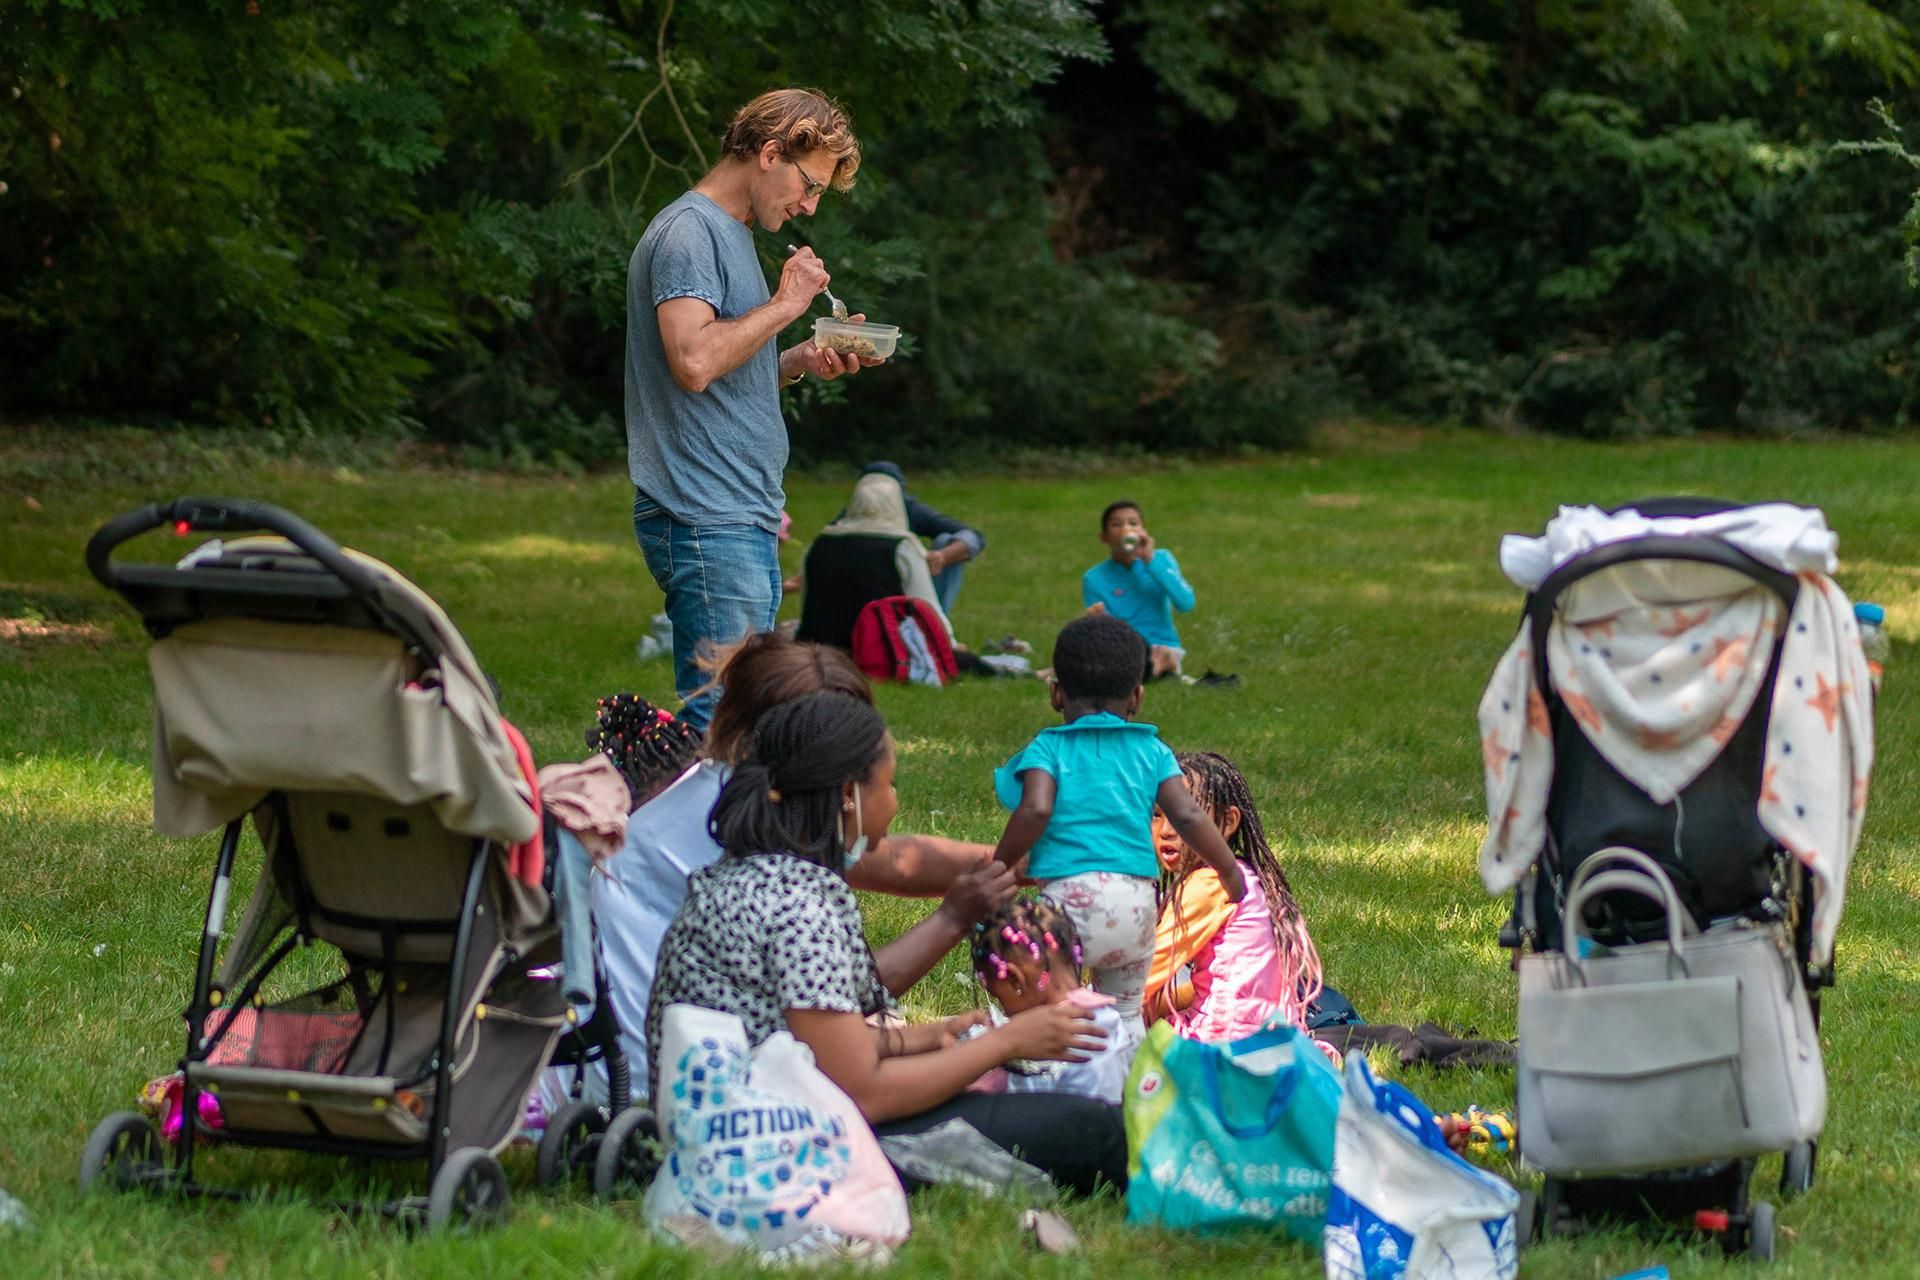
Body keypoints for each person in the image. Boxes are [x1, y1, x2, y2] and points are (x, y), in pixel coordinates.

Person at [646, 693, 1129, 1196]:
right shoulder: (798, 906)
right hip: (780, 1143)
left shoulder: (761, 875)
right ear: (849, 794)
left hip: (737, 1119)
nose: (896, 801)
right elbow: (864, 1092)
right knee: (1094, 1130)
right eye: (890, 782)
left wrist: (930, 1037)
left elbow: (813, 1040)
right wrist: (1006, 1042)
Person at [594, 632, 995, 1095]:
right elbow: (845, 1030)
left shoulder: (734, 801)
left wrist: (1012, 863)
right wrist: (956, 918)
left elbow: (889, 861)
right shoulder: (772, 868)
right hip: (670, 1088)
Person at [625, 87, 884, 731]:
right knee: (723, 723)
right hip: (703, 511)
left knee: (749, 715)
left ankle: (741, 833)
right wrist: (788, 303)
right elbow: (692, 362)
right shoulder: (689, 232)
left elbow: (725, 366)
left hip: (742, 511)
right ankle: (703, 833)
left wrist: (800, 358)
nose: (810, 206)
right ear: (770, 153)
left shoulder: (732, 235)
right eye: (810, 185)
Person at [991, 613, 1245, 1024]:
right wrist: (1228, 869)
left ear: (1056, 694)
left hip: (1067, 908)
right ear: (1137, 697)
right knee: (1125, 1015)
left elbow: (1035, 808)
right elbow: (1187, 814)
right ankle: (1130, 1085)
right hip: (1137, 908)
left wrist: (999, 865)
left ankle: (1059, 1082)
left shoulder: (1047, 749)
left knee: (1058, 1014)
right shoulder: (1153, 751)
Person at [1143, 750, 1325, 1043]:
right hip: (1272, 1034)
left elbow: (1144, 972)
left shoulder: (1208, 884)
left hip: (1222, 1039)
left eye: (1183, 817)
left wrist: (1082, 1005)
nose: (1165, 830)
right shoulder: (1244, 873)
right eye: (1156, 815)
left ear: (1228, 822)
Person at [966, 895, 1142, 1104]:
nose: (1006, 1013)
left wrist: (1000, 1084)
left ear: (1015, 981)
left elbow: (1068, 1103)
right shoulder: (1103, 1015)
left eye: (1001, 1000)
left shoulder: (1072, 1033)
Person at [794, 471, 955, 651]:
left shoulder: (819, 544)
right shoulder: (902, 547)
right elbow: (927, 609)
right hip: (882, 653)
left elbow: (809, 606)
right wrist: (949, 644)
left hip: (818, 649)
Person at [1081, 499, 1196, 681]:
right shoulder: (1094, 577)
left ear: (1143, 531)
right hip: (1123, 648)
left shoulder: (1161, 560)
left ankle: (1154, 669)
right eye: (1117, 525)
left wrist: (1150, 560)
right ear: (1104, 537)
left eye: (1133, 523)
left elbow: (1186, 603)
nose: (1126, 529)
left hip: (1162, 647)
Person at [856, 461, 984, 615]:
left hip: (903, 589)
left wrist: (942, 557)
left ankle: (933, 624)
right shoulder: (846, 523)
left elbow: (971, 536)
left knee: (946, 540)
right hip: (864, 596)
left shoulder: (909, 509)